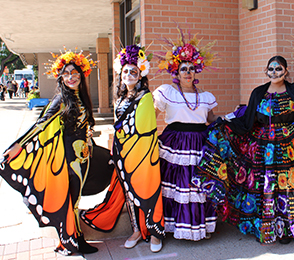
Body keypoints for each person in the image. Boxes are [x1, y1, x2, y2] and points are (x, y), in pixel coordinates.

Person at [193, 54, 294, 245]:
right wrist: (225, 123)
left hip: (290, 145)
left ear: (285, 71)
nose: (274, 72)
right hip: (264, 147)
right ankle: (265, 226)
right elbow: (249, 120)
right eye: (271, 69)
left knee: (287, 187)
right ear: (266, 71)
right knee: (265, 186)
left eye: (278, 69)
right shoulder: (258, 92)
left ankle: (287, 229)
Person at [0, 49, 100, 255]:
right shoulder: (60, 100)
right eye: (66, 74)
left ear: (81, 75)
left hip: (82, 157)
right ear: (61, 78)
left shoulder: (81, 97)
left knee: (76, 198)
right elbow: (40, 125)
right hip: (68, 158)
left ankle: (75, 238)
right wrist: (18, 145)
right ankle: (72, 240)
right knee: (71, 199)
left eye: (74, 73)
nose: (71, 77)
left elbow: (86, 127)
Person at [81, 44, 165, 253]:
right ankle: (136, 231)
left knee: (148, 192)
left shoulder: (145, 96)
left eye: (133, 72)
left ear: (140, 75)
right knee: (129, 195)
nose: (129, 74)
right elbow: (117, 127)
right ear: (121, 74)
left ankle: (155, 232)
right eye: (126, 71)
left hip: (142, 155)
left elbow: (146, 129)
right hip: (122, 154)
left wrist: (133, 149)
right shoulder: (119, 99)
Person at [152, 26, 219, 241]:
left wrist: (234, 121)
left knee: (198, 186)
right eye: (183, 69)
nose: (188, 72)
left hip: (200, 141)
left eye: (191, 68)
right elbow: (151, 116)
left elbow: (211, 120)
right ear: (176, 73)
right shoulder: (167, 92)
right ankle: (174, 227)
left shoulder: (206, 96)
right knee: (177, 185)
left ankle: (200, 227)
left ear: (196, 71)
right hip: (175, 141)